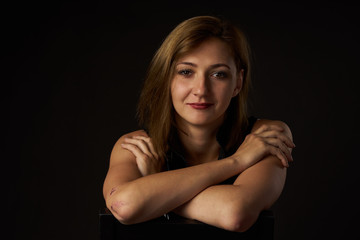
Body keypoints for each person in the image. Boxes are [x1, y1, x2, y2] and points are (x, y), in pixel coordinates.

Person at [103, 15, 295, 232]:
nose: (201, 89)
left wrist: (156, 189)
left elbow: (235, 213)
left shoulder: (268, 136)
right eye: (186, 72)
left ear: (238, 82)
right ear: (167, 79)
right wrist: (237, 161)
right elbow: (125, 206)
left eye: (218, 74)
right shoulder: (135, 146)